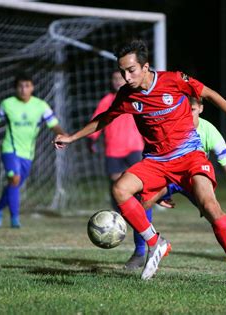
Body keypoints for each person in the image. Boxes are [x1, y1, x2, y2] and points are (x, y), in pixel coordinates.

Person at [54, 39, 226, 285]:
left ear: (145, 67)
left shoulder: (173, 80)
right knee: (120, 190)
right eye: (122, 71)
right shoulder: (127, 95)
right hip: (156, 161)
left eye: (131, 70)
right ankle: (155, 243)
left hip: (189, 156)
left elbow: (208, 93)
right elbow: (104, 119)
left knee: (210, 206)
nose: (126, 77)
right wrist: (72, 137)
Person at [141, 96, 226, 270]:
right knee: (142, 200)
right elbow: (151, 160)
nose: (187, 115)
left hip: (194, 178)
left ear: (201, 109)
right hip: (171, 177)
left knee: (213, 210)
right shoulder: (169, 127)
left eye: (192, 110)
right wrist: (156, 192)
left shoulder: (209, 131)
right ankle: (141, 251)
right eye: (183, 110)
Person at [0, 72, 66, 228]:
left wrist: (62, 134)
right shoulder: (7, 104)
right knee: (15, 179)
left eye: (27, 86)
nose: (23, 89)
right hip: (9, 149)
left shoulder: (40, 106)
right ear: (16, 88)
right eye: (20, 86)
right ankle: (15, 219)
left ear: (32, 87)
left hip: (28, 154)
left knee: (14, 184)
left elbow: (53, 124)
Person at [87, 70, 152, 270]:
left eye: (120, 78)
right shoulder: (107, 100)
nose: (118, 81)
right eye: (114, 78)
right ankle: (121, 214)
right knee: (116, 185)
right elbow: (98, 119)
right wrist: (92, 139)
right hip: (113, 148)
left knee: (138, 189)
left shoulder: (135, 97)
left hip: (134, 147)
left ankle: (137, 229)